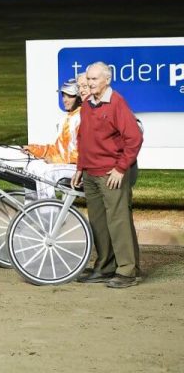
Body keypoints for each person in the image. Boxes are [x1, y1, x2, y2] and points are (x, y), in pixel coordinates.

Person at [72, 61, 143, 288]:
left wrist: (121, 168)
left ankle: (128, 271)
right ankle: (104, 267)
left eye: (94, 79)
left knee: (118, 221)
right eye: (88, 79)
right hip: (91, 172)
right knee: (99, 224)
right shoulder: (87, 105)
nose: (89, 83)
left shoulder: (116, 103)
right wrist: (80, 167)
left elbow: (134, 138)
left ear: (106, 80)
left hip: (111, 173)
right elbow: (84, 139)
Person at [23, 78, 81, 199]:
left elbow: (82, 153)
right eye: (63, 95)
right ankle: (31, 210)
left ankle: (48, 213)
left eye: (70, 96)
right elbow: (56, 149)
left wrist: (56, 159)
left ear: (78, 97)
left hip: (78, 167)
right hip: (65, 163)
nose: (65, 99)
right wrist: (34, 149)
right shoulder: (64, 120)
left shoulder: (81, 119)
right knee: (31, 167)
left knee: (46, 173)